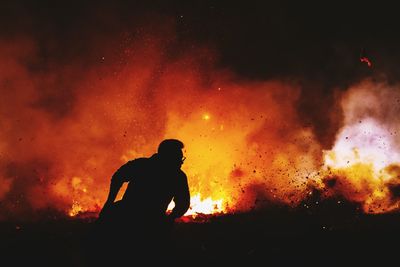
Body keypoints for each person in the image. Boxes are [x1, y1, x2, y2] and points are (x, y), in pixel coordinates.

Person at [87, 139, 190, 265]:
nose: (180, 163)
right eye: (178, 159)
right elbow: (183, 203)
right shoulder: (177, 176)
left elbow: (118, 176)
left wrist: (109, 203)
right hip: (147, 219)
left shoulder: (142, 165)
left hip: (128, 213)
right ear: (168, 157)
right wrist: (170, 219)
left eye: (181, 159)